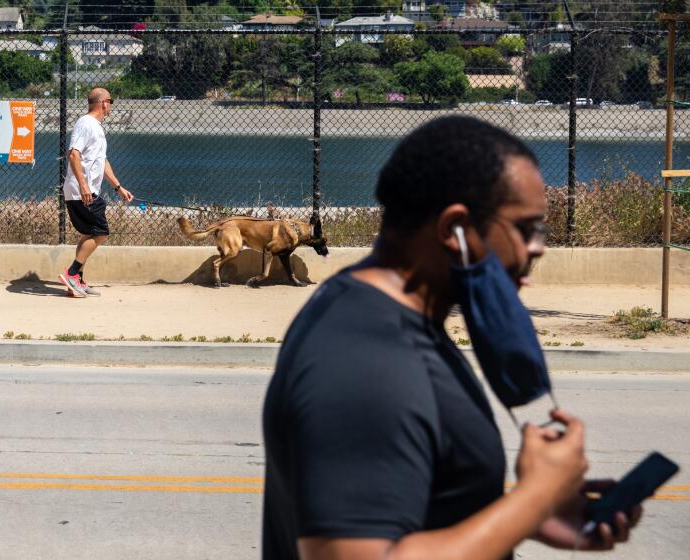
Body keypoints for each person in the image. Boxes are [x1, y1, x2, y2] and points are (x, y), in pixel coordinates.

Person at [262, 116, 642, 560]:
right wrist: (533, 498)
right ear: (454, 230)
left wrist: (532, 517)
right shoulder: (364, 360)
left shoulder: (386, 315)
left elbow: (417, 512)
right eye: (525, 229)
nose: (537, 247)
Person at [58, 87, 133, 298]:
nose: (111, 106)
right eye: (111, 101)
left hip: (84, 190)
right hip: (82, 190)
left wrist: (118, 187)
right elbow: (74, 154)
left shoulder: (97, 127)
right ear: (104, 103)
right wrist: (83, 186)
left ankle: (77, 283)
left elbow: (102, 161)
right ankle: (72, 274)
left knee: (88, 234)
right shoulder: (86, 124)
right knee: (101, 232)